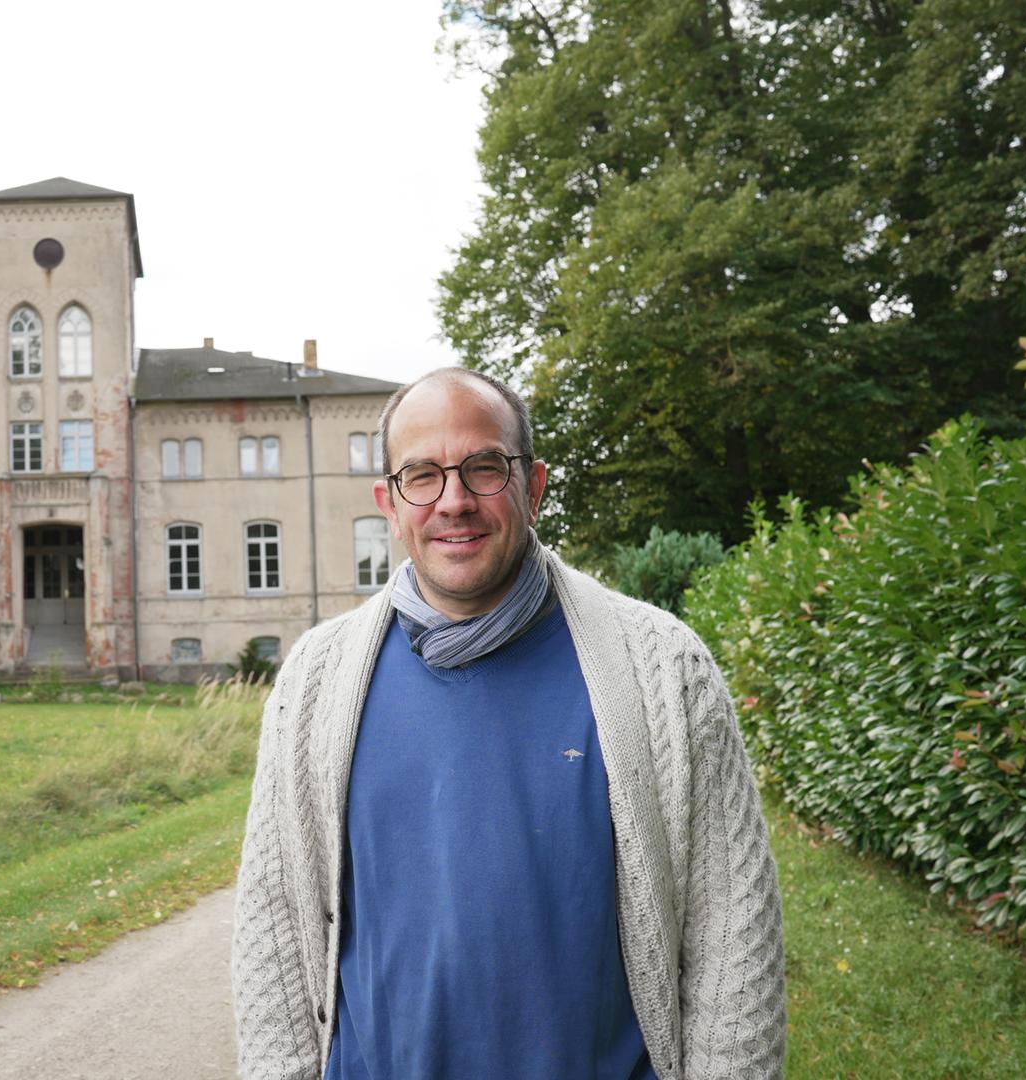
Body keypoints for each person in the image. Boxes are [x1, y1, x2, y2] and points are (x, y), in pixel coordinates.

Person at [230, 367, 785, 1080]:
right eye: (422, 476)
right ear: (389, 504)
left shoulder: (663, 668)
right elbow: (272, 930)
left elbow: (733, 934)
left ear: (534, 485)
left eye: (484, 469)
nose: (453, 501)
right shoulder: (315, 681)